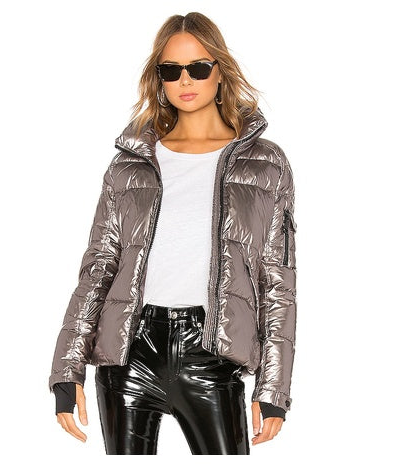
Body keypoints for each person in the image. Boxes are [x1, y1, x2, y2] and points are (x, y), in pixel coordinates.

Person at [48, 11, 297, 455]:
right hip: (129, 354)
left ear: (220, 71)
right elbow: (98, 269)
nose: (185, 80)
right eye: (171, 70)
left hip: (212, 354)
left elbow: (277, 282)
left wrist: (273, 388)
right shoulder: (130, 164)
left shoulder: (266, 164)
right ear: (158, 78)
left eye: (198, 67)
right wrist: (67, 370)